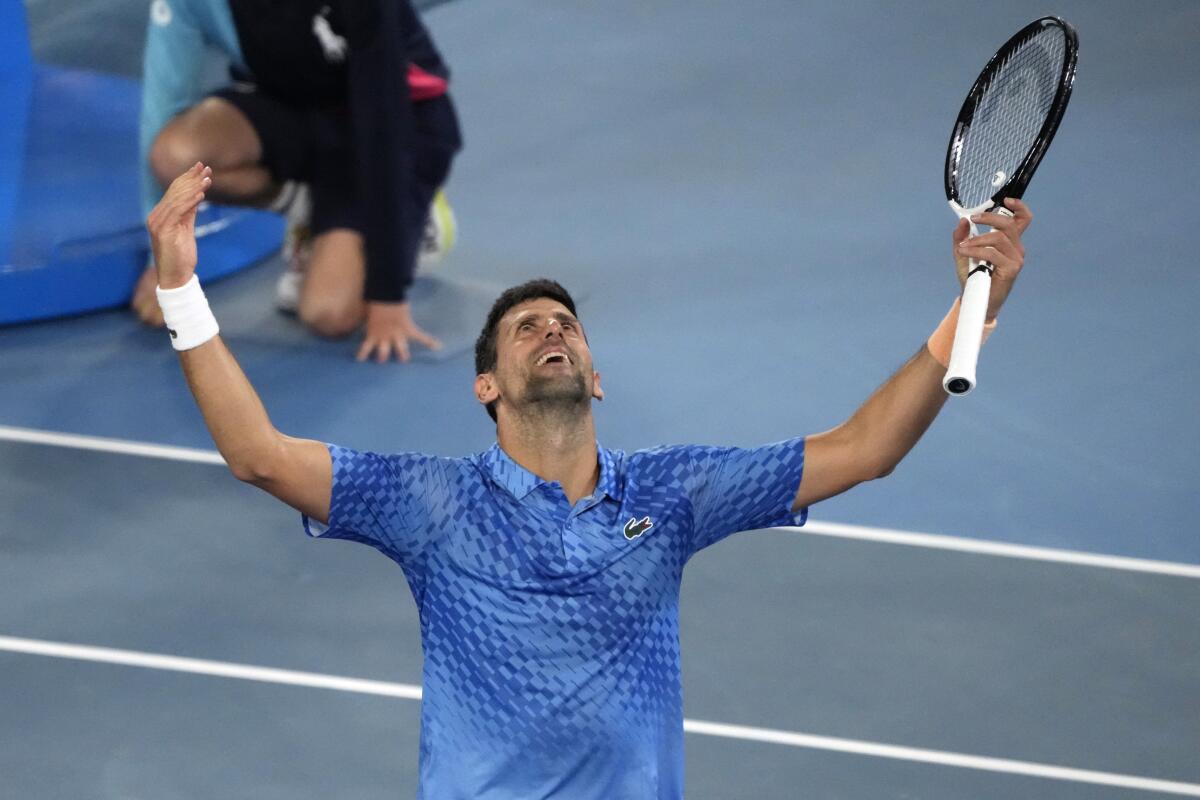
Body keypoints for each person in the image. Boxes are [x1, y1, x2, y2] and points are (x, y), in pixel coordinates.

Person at [147, 163, 1032, 798]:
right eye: (525, 327)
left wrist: (973, 307)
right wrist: (183, 292)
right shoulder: (431, 504)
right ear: (485, 385)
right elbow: (259, 455)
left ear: (595, 375)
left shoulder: (673, 494)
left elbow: (866, 448)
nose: (550, 330)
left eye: (563, 322)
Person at [132, 0, 462, 362]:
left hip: (396, 127)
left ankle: (418, 217)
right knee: (174, 153)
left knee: (329, 314)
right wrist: (160, 260)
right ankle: (308, 204)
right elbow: (163, 106)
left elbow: (383, 127)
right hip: (296, 114)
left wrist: (388, 291)